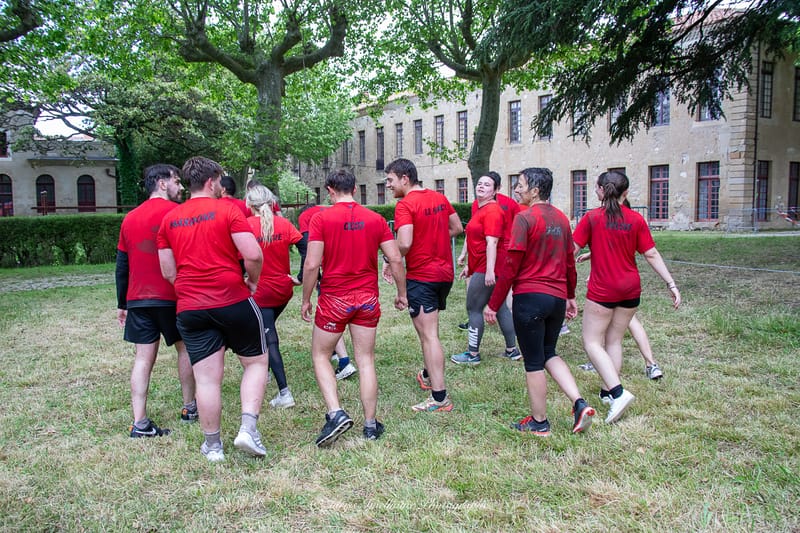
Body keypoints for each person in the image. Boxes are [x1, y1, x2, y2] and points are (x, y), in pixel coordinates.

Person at [157, 156, 269, 462]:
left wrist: (188, 288)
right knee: (257, 363)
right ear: (211, 181)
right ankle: (248, 428)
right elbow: (253, 254)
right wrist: (252, 281)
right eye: (220, 180)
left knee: (206, 379)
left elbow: (167, 271)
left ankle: (213, 446)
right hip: (232, 298)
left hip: (191, 307)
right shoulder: (228, 210)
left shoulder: (169, 220)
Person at [301, 168, 407, 446]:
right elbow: (395, 259)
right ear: (355, 189)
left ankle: (335, 413)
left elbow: (311, 264)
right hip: (367, 299)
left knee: (321, 355)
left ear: (330, 191)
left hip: (335, 299)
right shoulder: (375, 219)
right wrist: (401, 293)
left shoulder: (321, 218)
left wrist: (305, 298)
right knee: (366, 360)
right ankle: (370, 425)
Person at [485, 168, 595, 436]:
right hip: (556, 300)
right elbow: (570, 263)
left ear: (535, 191)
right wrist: (569, 295)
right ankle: (579, 403)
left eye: (520, 185)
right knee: (549, 353)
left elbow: (511, 265)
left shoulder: (524, 218)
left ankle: (539, 422)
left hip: (530, 299)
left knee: (533, 362)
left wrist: (493, 303)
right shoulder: (560, 218)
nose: (516, 190)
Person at [573, 170, 681, 424]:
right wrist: (671, 284)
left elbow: (571, 249)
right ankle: (606, 392)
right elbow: (651, 254)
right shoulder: (635, 219)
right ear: (626, 193)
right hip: (630, 289)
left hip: (603, 289)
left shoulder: (591, 218)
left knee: (591, 342)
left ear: (599, 190)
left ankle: (618, 393)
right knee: (614, 341)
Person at [116, 164, 197, 438]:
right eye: (176, 181)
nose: (181, 187)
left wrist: (122, 303)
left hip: (138, 298)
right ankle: (190, 407)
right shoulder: (177, 215)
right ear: (162, 184)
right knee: (184, 349)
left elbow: (122, 265)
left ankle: (139, 422)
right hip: (173, 295)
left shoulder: (129, 219)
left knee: (142, 359)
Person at [383, 158, 463, 412]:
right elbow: (457, 227)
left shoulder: (405, 205)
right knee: (428, 332)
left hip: (422, 277)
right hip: (444, 275)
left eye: (390, 180)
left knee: (429, 336)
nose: (388, 185)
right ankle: (428, 374)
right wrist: (433, 236)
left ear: (405, 178)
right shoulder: (438, 198)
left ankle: (439, 398)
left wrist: (389, 257)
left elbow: (404, 243)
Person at [246, 183, 303, 409]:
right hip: (283, 291)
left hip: (261, 292)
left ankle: (284, 393)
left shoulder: (246, 226)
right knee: (264, 329)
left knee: (269, 338)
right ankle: (267, 371)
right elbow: (305, 246)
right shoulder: (284, 223)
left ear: (249, 204)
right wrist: (300, 276)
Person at [451, 173, 519, 365]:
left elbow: (492, 242)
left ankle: (472, 355)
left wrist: (489, 272)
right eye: (479, 183)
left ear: (495, 190)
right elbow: (476, 241)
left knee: (473, 308)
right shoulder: (481, 208)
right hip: (481, 266)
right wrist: (469, 266)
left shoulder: (492, 211)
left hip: (488, 268)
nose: (481, 186)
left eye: (487, 185)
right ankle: (512, 350)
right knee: (501, 309)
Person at [297, 202, 357, 381]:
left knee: (330, 317)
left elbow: (307, 252)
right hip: (350, 266)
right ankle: (333, 351)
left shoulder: (306, 216)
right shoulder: (331, 210)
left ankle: (344, 361)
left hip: (331, 273)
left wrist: (303, 277)